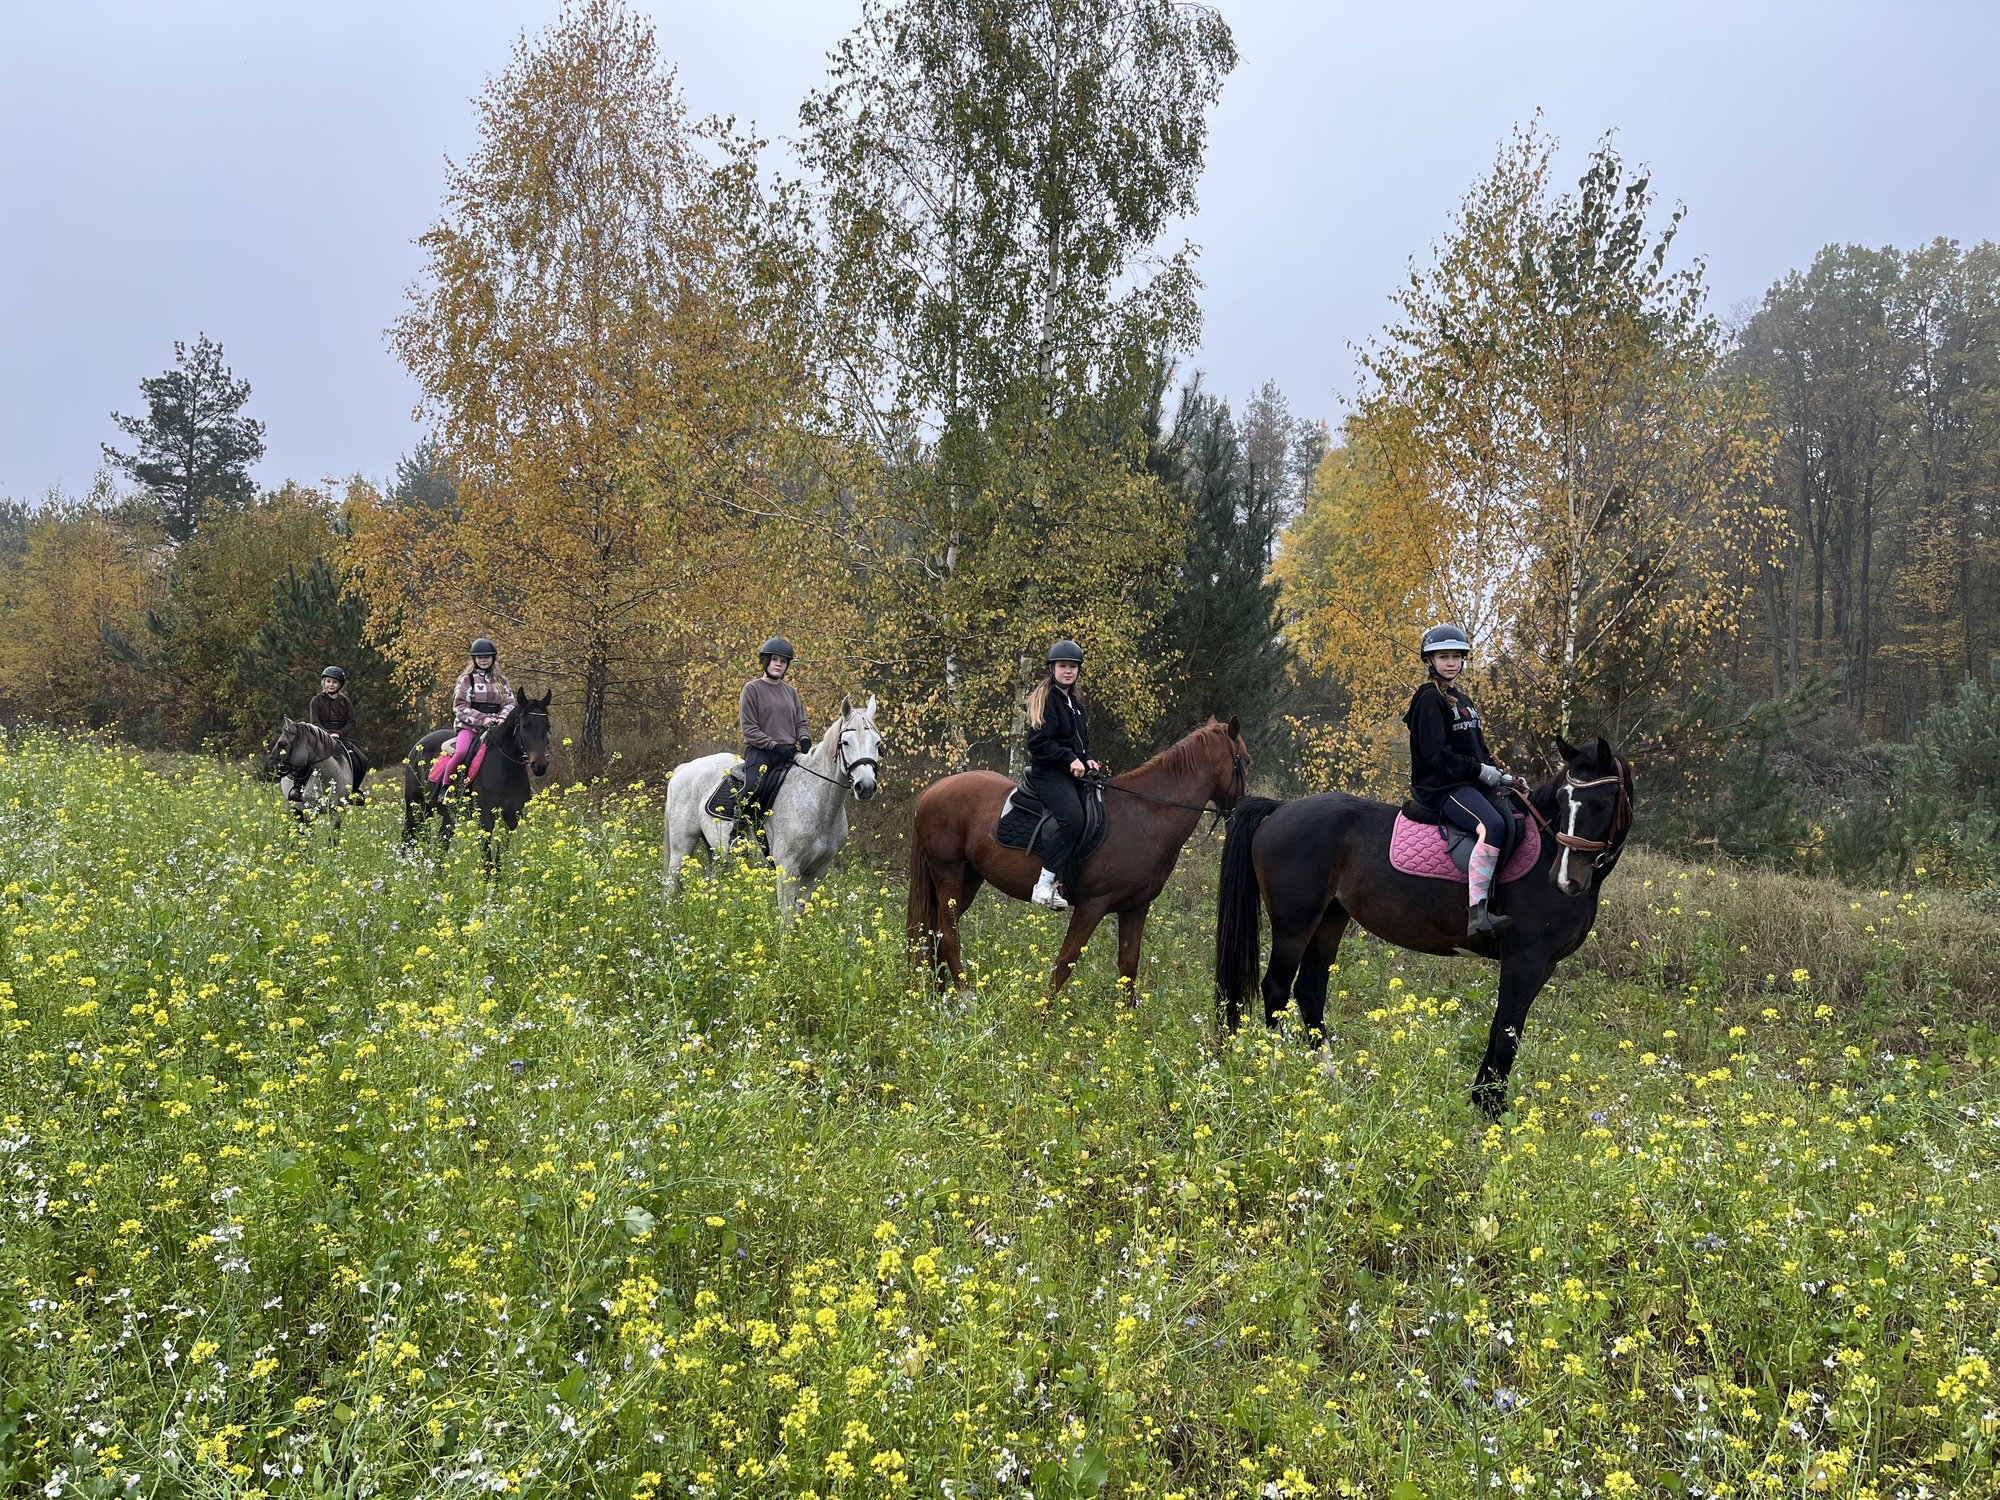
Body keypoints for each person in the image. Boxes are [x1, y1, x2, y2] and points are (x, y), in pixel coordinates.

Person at [1403, 623, 1528, 936]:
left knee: (1516, 814)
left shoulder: (1462, 699)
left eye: (1456, 657)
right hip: (1441, 786)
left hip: (1468, 781)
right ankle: (1478, 912)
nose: (1451, 663)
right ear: (1429, 661)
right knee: (1492, 825)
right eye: (1443, 657)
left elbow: (1477, 748)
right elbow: (1436, 755)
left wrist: (1504, 776)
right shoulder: (1429, 699)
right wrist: (1479, 772)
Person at [1023, 639, 1099, 910]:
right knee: (1073, 819)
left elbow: (1081, 743)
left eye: (1073, 667)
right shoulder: (1047, 701)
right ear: (1052, 669)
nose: (1068, 671)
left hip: (1071, 774)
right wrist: (1070, 759)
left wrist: (1088, 758)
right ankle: (1044, 884)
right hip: (1048, 773)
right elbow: (1039, 744)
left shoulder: (1075, 704)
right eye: (1063, 666)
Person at [730, 636, 811, 838]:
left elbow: (800, 722)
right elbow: (750, 728)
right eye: (774, 659)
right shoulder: (752, 689)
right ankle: (736, 834)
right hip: (761, 752)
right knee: (753, 788)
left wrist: (804, 739)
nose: (779, 664)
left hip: (789, 753)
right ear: (765, 661)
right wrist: (774, 745)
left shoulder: (791, 692)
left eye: (783, 661)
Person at [428, 637, 515, 792]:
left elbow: (510, 703)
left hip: (497, 727)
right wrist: (483, 719)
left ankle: (520, 789)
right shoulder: (467, 680)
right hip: (470, 727)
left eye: (486, 657)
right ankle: (445, 788)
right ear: (474, 659)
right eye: (479, 657)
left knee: (518, 750)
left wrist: (502, 718)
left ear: (493, 658)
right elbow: (460, 706)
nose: (483, 660)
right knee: (461, 752)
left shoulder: (502, 681)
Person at [308, 665, 371, 793]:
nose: (331, 685)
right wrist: (327, 734)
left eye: (335, 682)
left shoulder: (345, 701)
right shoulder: (316, 700)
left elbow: (351, 722)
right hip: (321, 737)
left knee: (362, 760)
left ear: (340, 685)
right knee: (304, 758)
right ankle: (297, 787)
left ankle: (354, 791)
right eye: (328, 681)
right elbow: (315, 722)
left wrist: (339, 733)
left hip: (340, 737)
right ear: (324, 682)